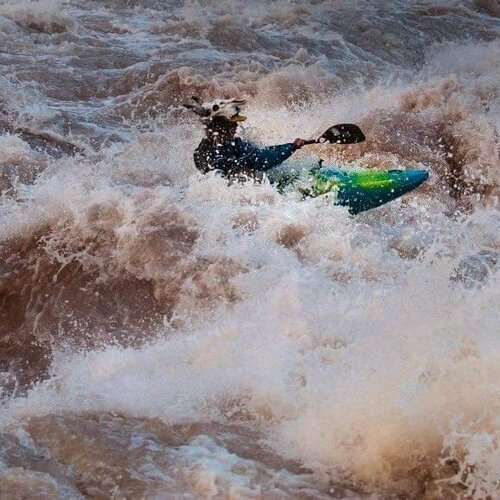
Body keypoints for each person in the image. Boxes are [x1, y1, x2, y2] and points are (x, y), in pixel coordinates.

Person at [184, 97, 307, 180]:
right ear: (223, 127)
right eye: (233, 124)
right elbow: (260, 160)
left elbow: (259, 153)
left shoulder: (224, 145)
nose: (237, 126)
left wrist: (290, 146)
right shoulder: (214, 153)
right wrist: (292, 147)